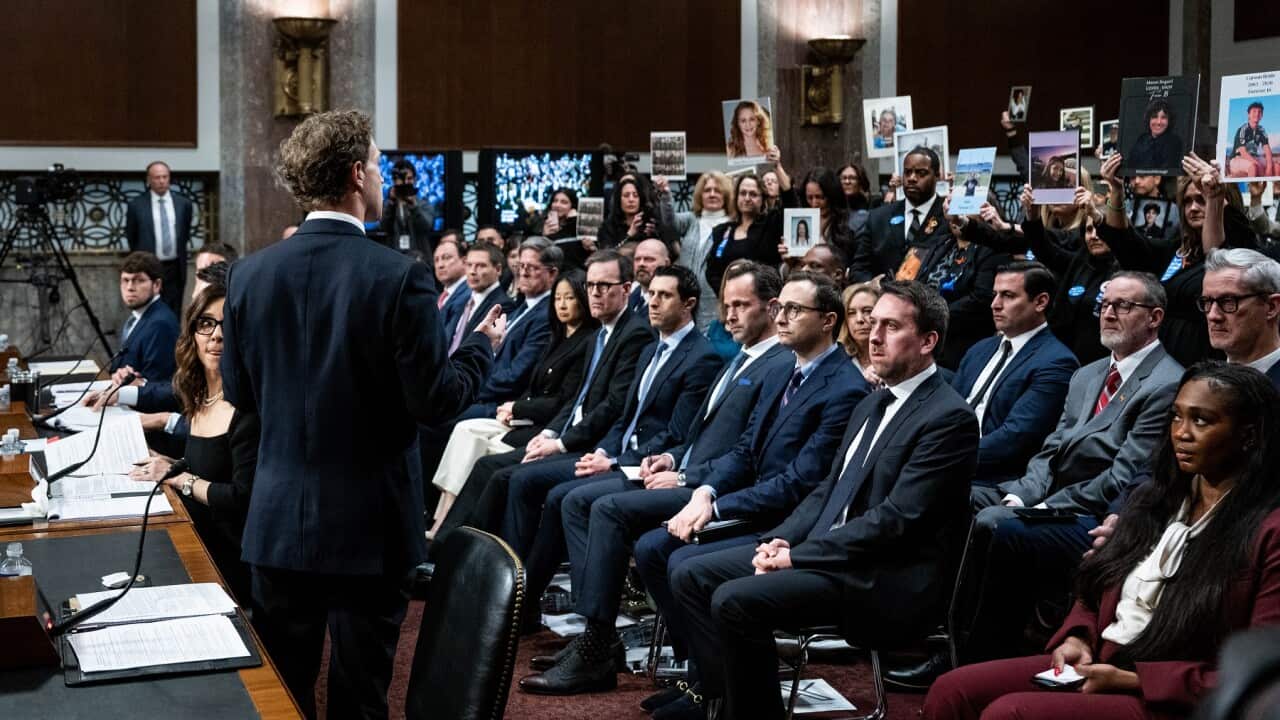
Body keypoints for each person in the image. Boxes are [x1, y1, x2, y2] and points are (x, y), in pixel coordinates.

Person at [219, 110, 503, 720]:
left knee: (282, 698)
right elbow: (436, 402)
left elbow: (240, 392)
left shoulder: (248, 275)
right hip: (370, 528)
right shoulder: (400, 276)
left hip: (276, 521)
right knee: (360, 697)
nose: (380, 175)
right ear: (356, 174)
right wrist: (481, 347)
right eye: (377, 163)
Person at [669, 281, 978, 719]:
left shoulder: (949, 417)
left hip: (881, 575)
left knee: (735, 600)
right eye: (873, 324)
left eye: (891, 327)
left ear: (928, 341)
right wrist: (780, 540)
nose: (873, 335)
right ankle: (717, 701)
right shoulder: (872, 405)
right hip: (832, 556)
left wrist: (800, 555)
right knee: (691, 574)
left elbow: (897, 522)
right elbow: (827, 491)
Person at [926, 362, 1280, 720]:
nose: (1181, 433)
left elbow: (1259, 669)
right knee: (952, 690)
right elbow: (1096, 582)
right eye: (1176, 417)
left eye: (1201, 420)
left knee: (1010, 713)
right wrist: (1077, 636)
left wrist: (1132, 680)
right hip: (1103, 658)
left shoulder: (1269, 531)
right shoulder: (1153, 499)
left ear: (1248, 435)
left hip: (1172, 696)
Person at [963, 272, 1183, 665]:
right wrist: (1024, 495)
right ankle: (932, 626)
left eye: (1123, 306)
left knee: (996, 523)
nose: (1109, 313)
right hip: (1045, 495)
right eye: (1105, 304)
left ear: (1155, 317)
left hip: (1096, 515)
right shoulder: (1088, 373)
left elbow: (1120, 477)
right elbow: (1051, 448)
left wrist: (1040, 508)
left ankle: (977, 653)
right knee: (954, 495)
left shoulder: (1166, 383)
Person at [493, 265, 719, 570]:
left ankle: (534, 591)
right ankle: (514, 582)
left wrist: (614, 462)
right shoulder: (651, 349)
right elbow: (625, 418)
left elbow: (676, 434)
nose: (652, 301)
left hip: (645, 465)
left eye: (664, 295)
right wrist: (603, 451)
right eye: (651, 293)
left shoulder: (701, 356)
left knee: (563, 496)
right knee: (524, 478)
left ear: (689, 304)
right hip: (614, 453)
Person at [436, 250, 654, 542]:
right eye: (590, 286)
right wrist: (552, 433)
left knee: (506, 474)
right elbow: (578, 398)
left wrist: (561, 443)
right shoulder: (601, 334)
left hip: (594, 444)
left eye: (604, 286)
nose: (595, 294)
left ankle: (486, 561)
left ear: (626, 289)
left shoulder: (634, 334)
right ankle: (448, 548)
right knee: (489, 465)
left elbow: (613, 405)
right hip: (565, 431)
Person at [428, 270, 598, 538]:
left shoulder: (588, 340)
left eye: (570, 298)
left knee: (486, 449)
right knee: (465, 430)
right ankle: (441, 517)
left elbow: (564, 400)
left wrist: (517, 408)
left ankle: (454, 531)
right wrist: (514, 407)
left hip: (541, 423)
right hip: (522, 413)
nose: (562, 304)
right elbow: (532, 385)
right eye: (558, 298)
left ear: (583, 301)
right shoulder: (557, 335)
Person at [129, 283, 258, 604]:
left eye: (228, 325)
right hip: (193, 538)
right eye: (206, 323)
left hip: (230, 559)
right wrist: (165, 463)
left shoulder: (248, 407)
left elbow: (242, 497)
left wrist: (180, 478)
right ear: (193, 334)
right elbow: (208, 467)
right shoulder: (198, 396)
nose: (217, 335)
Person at [1100, 152, 1253, 366]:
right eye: (1188, 201)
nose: (1193, 208)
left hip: (1206, 364)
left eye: (1201, 199)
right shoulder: (1178, 248)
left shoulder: (1243, 244)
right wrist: (1116, 190)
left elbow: (1217, 259)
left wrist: (1214, 198)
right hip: (1161, 363)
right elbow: (1127, 246)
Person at [952, 261, 1078, 488]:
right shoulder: (980, 349)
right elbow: (947, 408)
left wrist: (944, 457)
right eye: (994, 295)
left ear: (1040, 302)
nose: (994, 304)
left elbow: (1015, 439)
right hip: (947, 460)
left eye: (1008, 296)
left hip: (991, 479)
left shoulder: (1057, 362)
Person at [458, 238, 561, 419]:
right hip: (485, 392)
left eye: (532, 268)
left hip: (500, 403)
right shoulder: (521, 307)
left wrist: (471, 387)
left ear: (552, 273)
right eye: (521, 266)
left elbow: (516, 375)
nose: (523, 273)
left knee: (436, 418)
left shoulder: (547, 315)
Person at [920, 197, 1011, 368]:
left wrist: (933, 316)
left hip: (964, 341)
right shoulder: (942, 243)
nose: (957, 216)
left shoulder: (994, 249)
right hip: (927, 332)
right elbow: (921, 279)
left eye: (965, 208)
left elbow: (981, 298)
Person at [852, 146, 952, 283]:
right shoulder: (879, 217)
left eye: (921, 173)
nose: (912, 178)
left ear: (937, 176)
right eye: (907, 172)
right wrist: (872, 286)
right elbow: (859, 268)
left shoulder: (950, 217)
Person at [656, 172, 732, 332]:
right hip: (684, 294)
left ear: (725, 195)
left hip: (713, 299)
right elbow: (669, 223)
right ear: (699, 195)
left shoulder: (732, 225)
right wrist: (665, 194)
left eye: (717, 190)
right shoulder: (691, 220)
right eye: (707, 190)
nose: (712, 194)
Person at [1201, 248, 1280, 385]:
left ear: (1271, 307)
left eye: (1228, 301)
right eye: (1207, 301)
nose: (1213, 315)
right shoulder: (1202, 380)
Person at [125, 160, 194, 315]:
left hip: (175, 268)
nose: (162, 181)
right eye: (157, 177)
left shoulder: (183, 204)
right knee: (149, 309)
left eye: (165, 177)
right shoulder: (137, 205)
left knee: (174, 311)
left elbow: (185, 232)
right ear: (149, 180)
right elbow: (132, 236)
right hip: (149, 267)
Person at [704, 174, 787, 296]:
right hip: (729, 301)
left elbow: (791, 206)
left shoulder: (771, 225)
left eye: (753, 194)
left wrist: (777, 168)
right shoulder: (722, 231)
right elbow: (712, 272)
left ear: (763, 199)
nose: (747, 198)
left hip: (761, 299)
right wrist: (728, 293)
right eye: (743, 193)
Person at [110, 251, 180, 382]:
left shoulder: (160, 324)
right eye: (125, 280)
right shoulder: (138, 316)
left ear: (157, 285)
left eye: (139, 280)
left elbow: (157, 383)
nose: (130, 287)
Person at [445, 243, 510, 356]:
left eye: (481, 266)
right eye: (469, 265)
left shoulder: (503, 305)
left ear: (498, 269)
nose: (472, 271)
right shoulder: (463, 301)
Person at [378, 158, 435, 256]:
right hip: (395, 257)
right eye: (401, 179)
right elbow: (383, 227)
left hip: (420, 257)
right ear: (394, 181)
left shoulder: (424, 204)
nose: (406, 183)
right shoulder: (388, 205)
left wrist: (413, 206)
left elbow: (427, 226)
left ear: (415, 180)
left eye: (409, 179)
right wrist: (391, 203)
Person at [1126, 99, 1183, 173]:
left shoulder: (1174, 142)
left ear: (1169, 121)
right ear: (1148, 119)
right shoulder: (1142, 138)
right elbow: (1131, 166)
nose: (1159, 122)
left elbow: (1165, 171)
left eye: (1164, 117)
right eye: (1154, 117)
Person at [839, 281, 880, 379]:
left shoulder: (896, 357)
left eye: (867, 311)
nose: (859, 319)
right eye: (851, 313)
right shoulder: (836, 359)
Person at [431, 233, 470, 332]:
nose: (440, 265)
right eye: (436, 260)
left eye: (446, 258)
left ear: (464, 262)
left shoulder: (469, 294)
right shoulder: (440, 296)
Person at [628, 237, 672, 323]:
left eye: (649, 259)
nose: (641, 264)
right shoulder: (630, 293)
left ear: (666, 264)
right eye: (637, 259)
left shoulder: (672, 302)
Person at [1227, 101, 1273, 178]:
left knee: (1276, 166)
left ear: (1262, 115)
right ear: (1248, 114)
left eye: (1260, 112)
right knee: (1253, 167)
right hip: (1238, 158)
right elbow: (1243, 152)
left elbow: (1267, 149)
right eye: (1254, 111)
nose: (1257, 114)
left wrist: (1269, 167)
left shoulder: (1261, 130)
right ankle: (1252, 188)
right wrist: (1258, 164)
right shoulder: (1243, 129)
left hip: (1253, 157)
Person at [542, 187, 584, 267]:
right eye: (555, 201)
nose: (557, 205)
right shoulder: (542, 224)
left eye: (564, 202)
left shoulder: (578, 226)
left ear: (572, 206)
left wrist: (573, 221)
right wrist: (545, 236)